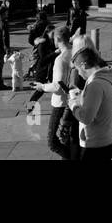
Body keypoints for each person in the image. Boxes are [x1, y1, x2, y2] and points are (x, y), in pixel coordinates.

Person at [68, 48, 112, 160]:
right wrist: (82, 96)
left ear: (84, 65)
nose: (79, 74)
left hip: (96, 145)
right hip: (107, 139)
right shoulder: (105, 78)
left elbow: (86, 118)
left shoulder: (95, 85)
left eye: (77, 69)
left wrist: (73, 105)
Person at [34, 25, 74, 160]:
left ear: (57, 39)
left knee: (52, 141)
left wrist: (42, 87)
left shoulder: (60, 59)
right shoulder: (74, 52)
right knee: (67, 139)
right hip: (72, 102)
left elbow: (57, 86)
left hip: (60, 103)